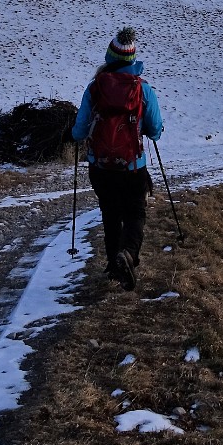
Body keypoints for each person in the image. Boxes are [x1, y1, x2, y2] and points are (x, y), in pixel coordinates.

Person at [71, 27, 164, 289]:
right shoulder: (142, 89)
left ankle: (114, 265)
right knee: (135, 213)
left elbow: (79, 130)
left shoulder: (95, 88)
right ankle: (128, 254)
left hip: (100, 166)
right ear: (132, 60)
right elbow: (155, 129)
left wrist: (78, 135)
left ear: (109, 57)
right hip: (133, 166)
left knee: (110, 214)